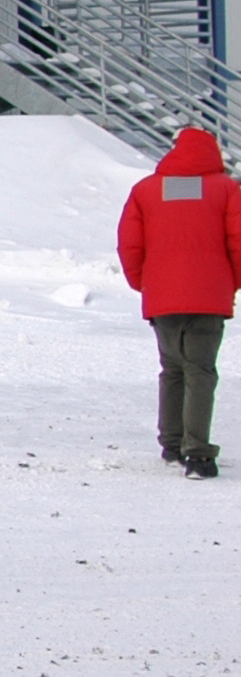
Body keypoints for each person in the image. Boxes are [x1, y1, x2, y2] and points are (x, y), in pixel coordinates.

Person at [116, 124, 241, 478]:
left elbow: (129, 244)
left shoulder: (145, 191)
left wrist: (146, 283)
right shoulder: (227, 190)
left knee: (172, 368)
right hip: (210, 297)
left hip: (163, 295)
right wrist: (232, 281)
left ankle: (171, 444)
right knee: (199, 371)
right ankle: (198, 455)